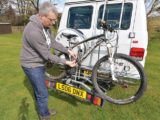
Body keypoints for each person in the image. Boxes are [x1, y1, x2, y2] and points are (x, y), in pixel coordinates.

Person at [20, 2, 77, 120]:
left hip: (39, 63)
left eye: (55, 20)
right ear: (42, 16)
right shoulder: (33, 31)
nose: (54, 23)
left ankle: (43, 109)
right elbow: (46, 55)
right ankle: (44, 116)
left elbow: (53, 43)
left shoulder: (46, 27)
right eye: (52, 20)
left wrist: (68, 51)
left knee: (40, 90)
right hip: (32, 65)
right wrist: (66, 62)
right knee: (43, 93)